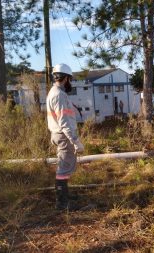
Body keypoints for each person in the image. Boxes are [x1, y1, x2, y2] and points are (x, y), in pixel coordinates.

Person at [46, 63, 84, 210]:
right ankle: (62, 203)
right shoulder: (59, 95)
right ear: (66, 78)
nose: (71, 83)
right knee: (63, 168)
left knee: (65, 165)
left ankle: (64, 196)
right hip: (64, 136)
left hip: (58, 134)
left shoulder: (54, 92)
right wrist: (75, 141)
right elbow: (64, 122)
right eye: (70, 79)